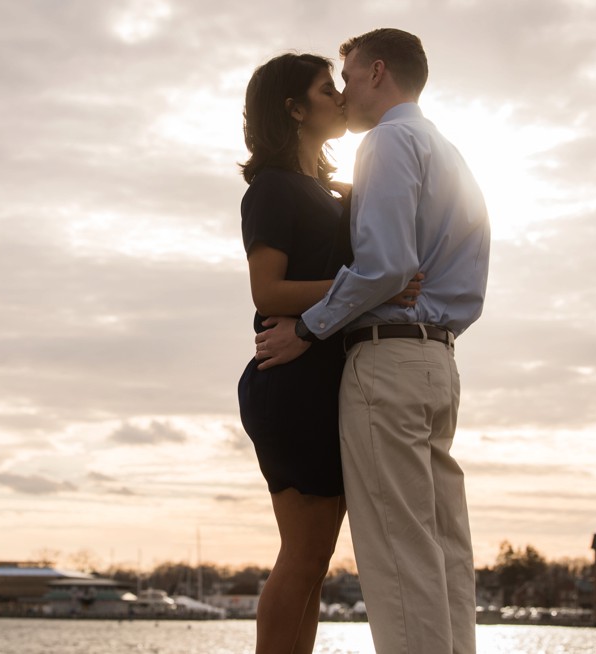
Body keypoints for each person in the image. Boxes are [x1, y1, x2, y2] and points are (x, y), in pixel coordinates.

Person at [254, 29, 491, 654]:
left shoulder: (386, 142)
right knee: (444, 553)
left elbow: (385, 267)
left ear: (377, 72)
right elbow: (446, 278)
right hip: (439, 361)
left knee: (397, 553)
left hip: (387, 362)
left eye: (349, 77)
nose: (344, 91)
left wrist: (308, 328)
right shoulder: (446, 150)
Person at [237, 52, 422, 654]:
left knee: (315, 559)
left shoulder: (323, 190)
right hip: (291, 381)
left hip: (325, 378)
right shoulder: (272, 190)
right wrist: (376, 284)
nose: (340, 96)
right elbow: (267, 292)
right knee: (305, 552)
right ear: (293, 109)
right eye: (325, 89)